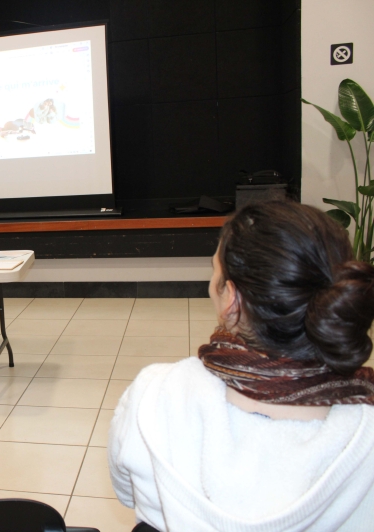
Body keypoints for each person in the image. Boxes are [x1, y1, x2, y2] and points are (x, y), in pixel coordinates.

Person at [109, 200, 374, 531]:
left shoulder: (154, 395)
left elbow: (125, 492)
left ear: (230, 300)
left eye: (214, 271)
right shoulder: (365, 427)